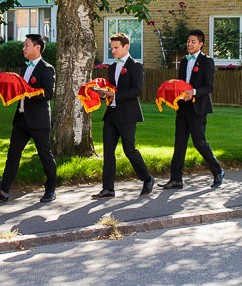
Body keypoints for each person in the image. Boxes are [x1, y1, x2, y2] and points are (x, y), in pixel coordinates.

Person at [0, 34, 58, 205]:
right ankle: (4, 190)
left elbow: (48, 94)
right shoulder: (24, 68)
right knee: (13, 154)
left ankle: (50, 189)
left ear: (38, 47)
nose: (23, 48)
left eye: (26, 45)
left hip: (38, 121)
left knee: (45, 155)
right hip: (21, 119)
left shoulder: (47, 68)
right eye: (24, 45)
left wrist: (28, 91)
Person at [92, 33, 155, 198]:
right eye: (111, 48)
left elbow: (136, 91)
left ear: (126, 47)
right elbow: (111, 90)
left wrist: (113, 94)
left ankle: (147, 178)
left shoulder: (135, 66)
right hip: (111, 114)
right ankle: (108, 188)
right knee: (108, 152)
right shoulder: (112, 67)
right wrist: (103, 94)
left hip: (128, 114)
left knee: (129, 150)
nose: (113, 51)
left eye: (116, 47)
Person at [159, 29, 225, 189]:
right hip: (183, 108)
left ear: (201, 44)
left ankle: (218, 171)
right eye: (188, 41)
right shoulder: (183, 61)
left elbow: (209, 87)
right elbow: (181, 83)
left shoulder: (207, 61)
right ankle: (176, 179)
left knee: (199, 142)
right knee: (179, 142)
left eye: (193, 42)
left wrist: (193, 92)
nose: (189, 44)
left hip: (198, 108)